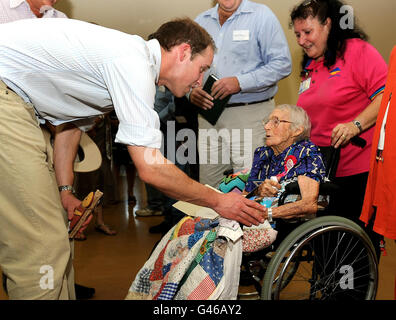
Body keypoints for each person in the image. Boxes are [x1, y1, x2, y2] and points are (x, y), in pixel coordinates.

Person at [0, 17, 266, 300]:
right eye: (201, 69)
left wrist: (65, 191)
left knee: (56, 237)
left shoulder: (123, 57)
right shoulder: (134, 62)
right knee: (42, 243)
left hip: (17, 101)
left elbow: (70, 128)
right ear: (183, 52)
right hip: (8, 101)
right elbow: (150, 168)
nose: (200, 81)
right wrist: (220, 200)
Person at [291, 0, 388, 257]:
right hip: (322, 171)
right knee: (325, 246)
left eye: (308, 32)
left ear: (329, 26)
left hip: (357, 170)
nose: (301, 40)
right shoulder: (312, 64)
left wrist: (355, 125)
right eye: (297, 34)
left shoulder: (357, 51)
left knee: (352, 248)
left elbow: (387, 97)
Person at [190, 0, 292, 189]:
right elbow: (188, 65)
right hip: (208, 115)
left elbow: (282, 64)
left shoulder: (261, 16)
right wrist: (191, 91)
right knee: (210, 186)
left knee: (252, 184)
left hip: (249, 115)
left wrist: (240, 82)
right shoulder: (200, 22)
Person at [242, 104, 326, 219]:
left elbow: (308, 204)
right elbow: (245, 195)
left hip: (285, 222)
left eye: (276, 122)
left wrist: (267, 214)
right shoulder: (262, 154)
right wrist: (259, 190)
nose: (266, 126)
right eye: (267, 122)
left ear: (297, 130)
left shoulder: (305, 152)